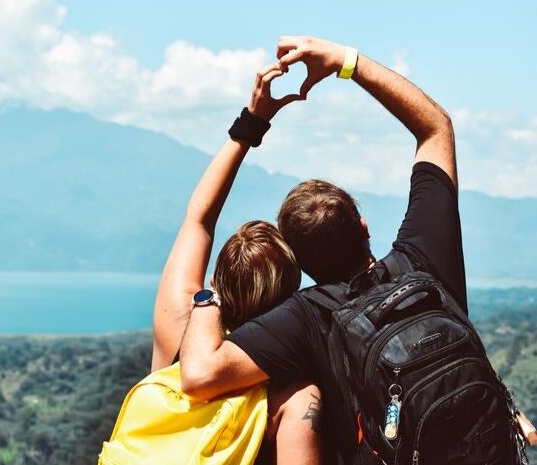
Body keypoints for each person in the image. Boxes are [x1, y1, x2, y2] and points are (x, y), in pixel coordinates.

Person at [178, 35, 466, 464]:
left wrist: (211, 294)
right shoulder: (424, 257)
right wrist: (345, 61)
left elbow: (199, 373)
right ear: (364, 228)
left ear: (301, 264)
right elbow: (435, 126)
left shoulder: (307, 317)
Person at [150, 62, 322, 464]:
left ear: (216, 280)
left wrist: (253, 123)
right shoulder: (291, 392)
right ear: (289, 297)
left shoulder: (178, 325)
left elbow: (199, 217)